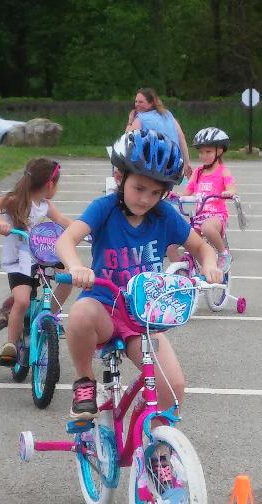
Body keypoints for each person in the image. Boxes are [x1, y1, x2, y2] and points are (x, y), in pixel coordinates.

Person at [55, 129, 222, 420]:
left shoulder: (165, 215)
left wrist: (209, 264)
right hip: (104, 307)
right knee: (80, 313)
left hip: (144, 315)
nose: (146, 199)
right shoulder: (104, 209)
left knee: (173, 387)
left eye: (156, 192)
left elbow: (201, 247)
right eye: (139, 188)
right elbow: (66, 240)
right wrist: (75, 266)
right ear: (120, 177)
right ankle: (84, 381)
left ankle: (159, 452)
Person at [0, 157, 74, 364]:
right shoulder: (15, 199)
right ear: (50, 184)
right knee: (22, 300)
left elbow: (63, 221)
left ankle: (50, 316)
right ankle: (10, 345)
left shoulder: (45, 205)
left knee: (69, 276)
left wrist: (83, 230)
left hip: (41, 256)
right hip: (19, 262)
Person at [182, 127, 237, 268]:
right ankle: (187, 271)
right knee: (178, 238)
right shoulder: (198, 172)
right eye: (201, 152)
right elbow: (187, 192)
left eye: (208, 152)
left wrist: (229, 192)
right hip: (198, 215)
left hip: (216, 216)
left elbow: (231, 188)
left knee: (207, 228)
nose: (203, 156)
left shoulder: (223, 171)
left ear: (219, 151)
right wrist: (175, 197)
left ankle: (224, 253)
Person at [126, 87, 193, 178]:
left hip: (154, 166)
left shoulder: (141, 117)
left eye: (141, 102)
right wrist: (186, 163)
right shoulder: (168, 114)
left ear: (151, 103)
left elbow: (128, 138)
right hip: (174, 163)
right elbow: (181, 137)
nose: (137, 104)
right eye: (136, 101)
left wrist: (130, 120)